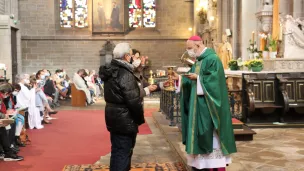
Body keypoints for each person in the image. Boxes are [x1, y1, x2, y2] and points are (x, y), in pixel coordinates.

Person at [172, 36, 237, 171]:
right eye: (187, 48)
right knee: (200, 143)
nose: (188, 51)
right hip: (197, 108)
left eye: (190, 48)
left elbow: (216, 82)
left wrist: (199, 79)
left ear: (199, 44)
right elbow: (190, 80)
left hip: (208, 108)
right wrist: (179, 79)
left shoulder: (213, 59)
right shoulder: (198, 61)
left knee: (211, 141)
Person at [99, 43, 144, 171]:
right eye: (130, 54)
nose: (132, 57)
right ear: (126, 56)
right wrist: (139, 119)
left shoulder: (111, 70)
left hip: (114, 115)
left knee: (117, 151)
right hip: (125, 118)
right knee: (123, 153)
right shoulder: (124, 73)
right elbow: (134, 101)